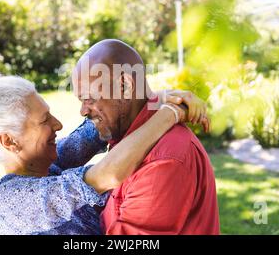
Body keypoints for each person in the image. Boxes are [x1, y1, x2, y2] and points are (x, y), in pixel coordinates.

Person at [0, 75, 207, 234]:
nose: (58, 125)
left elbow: (101, 125)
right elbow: (108, 175)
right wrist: (169, 113)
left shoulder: (49, 166)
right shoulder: (6, 201)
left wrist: (163, 97)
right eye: (44, 120)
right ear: (10, 141)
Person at [73, 39, 220, 235]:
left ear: (124, 86)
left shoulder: (164, 161)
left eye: (88, 98)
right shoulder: (127, 135)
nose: (83, 111)